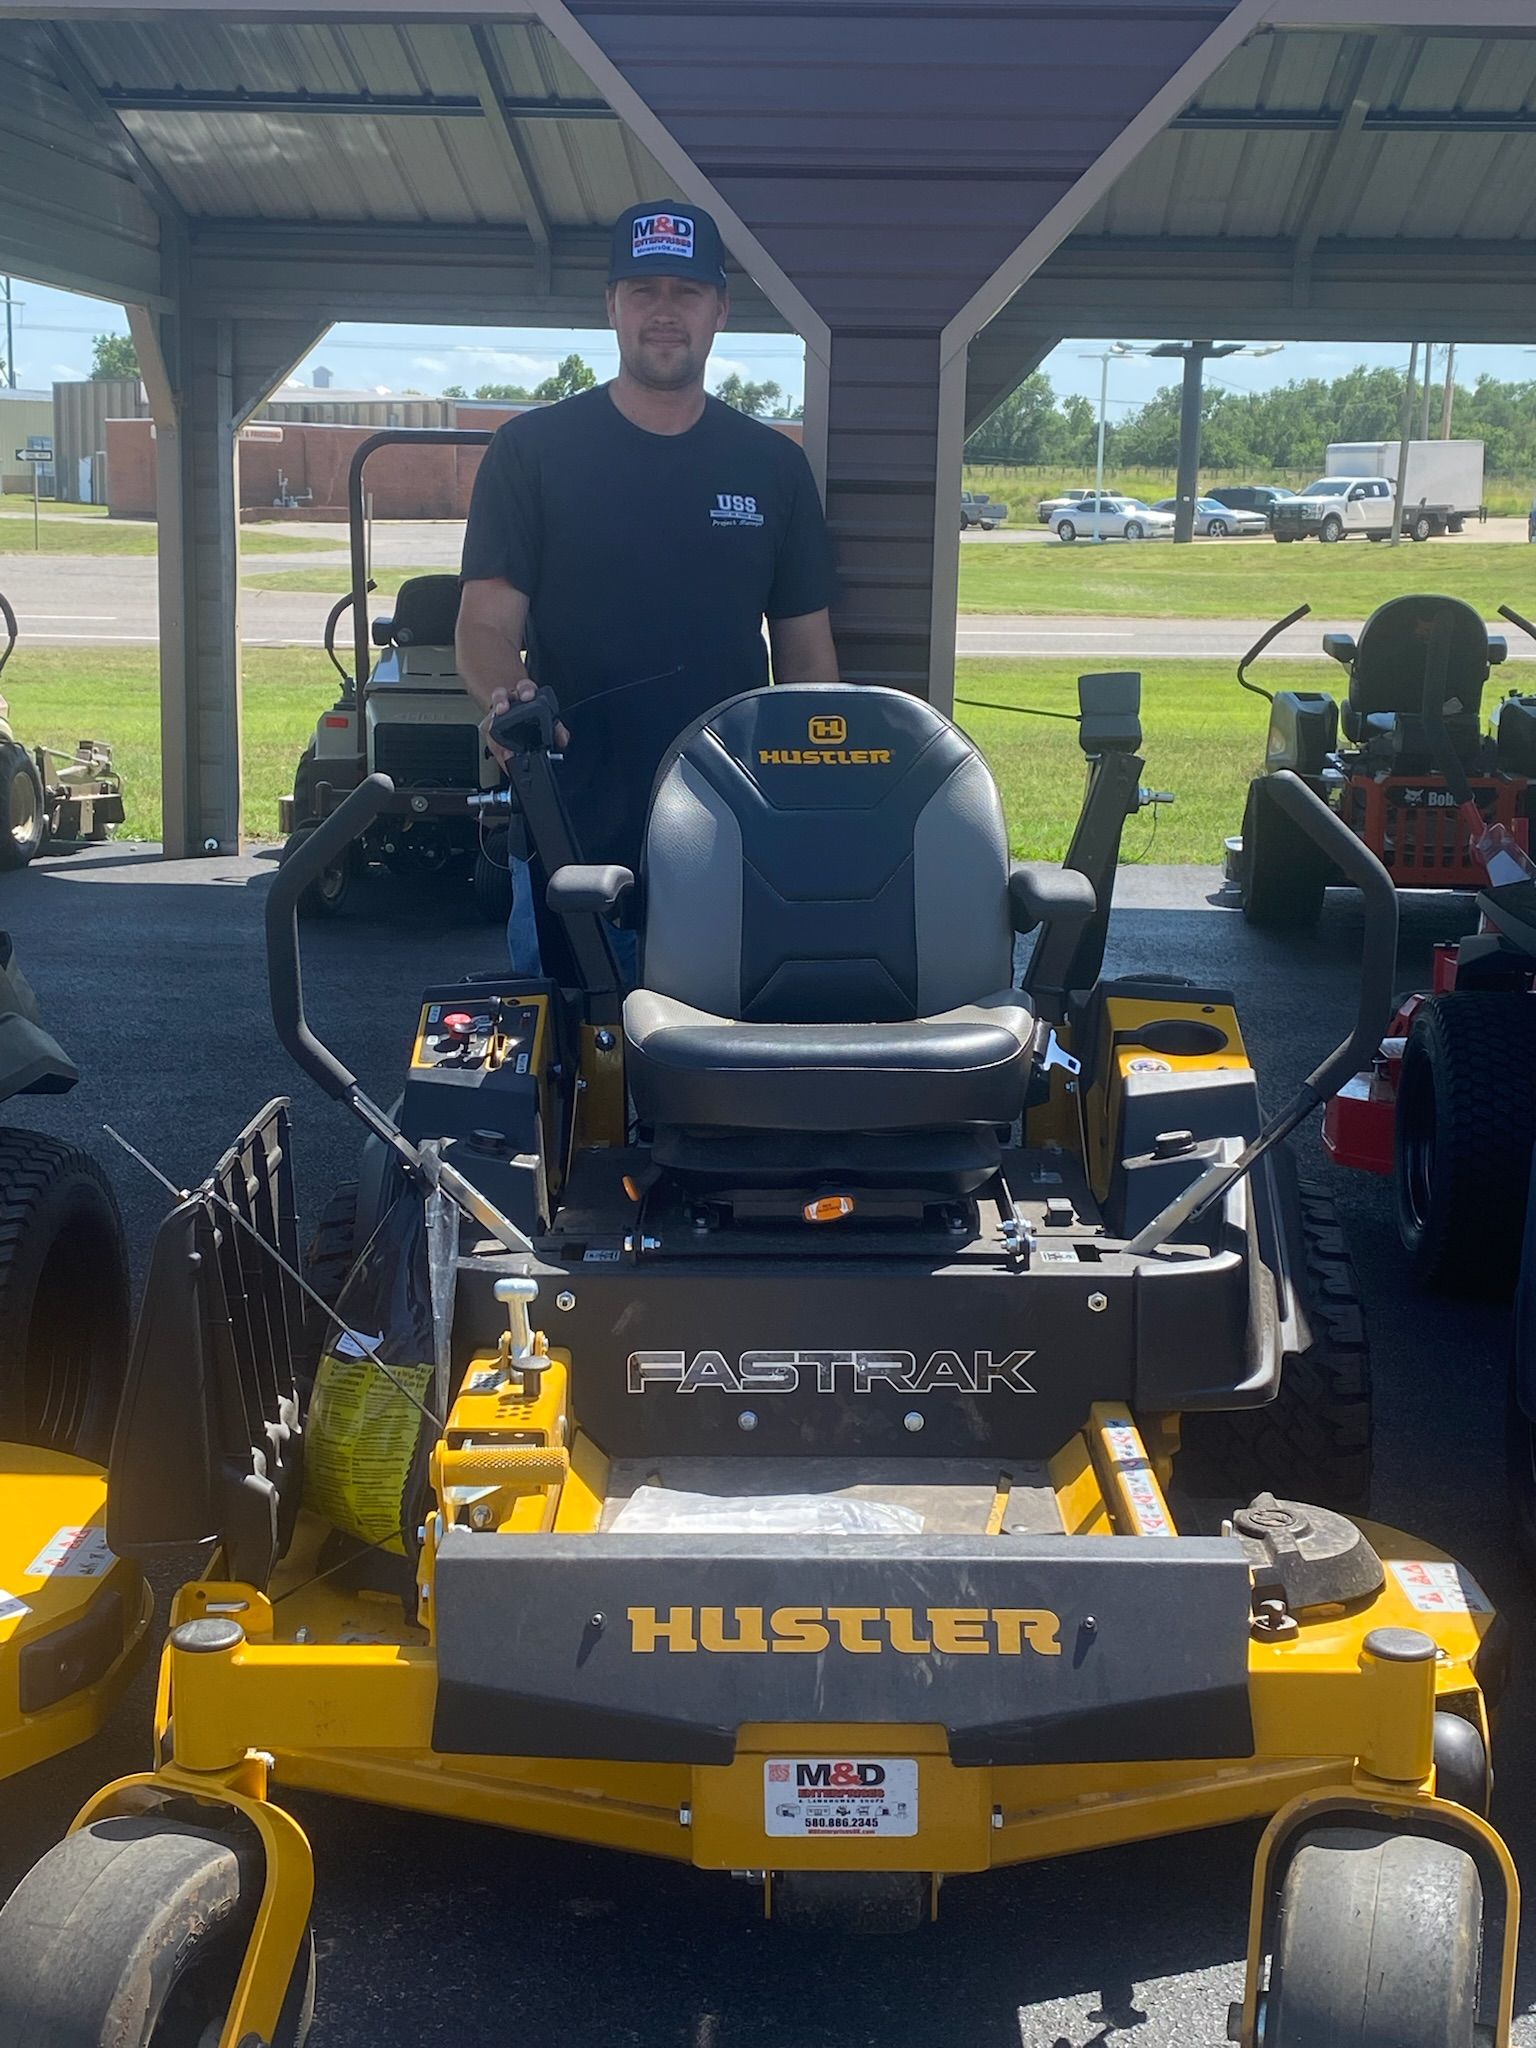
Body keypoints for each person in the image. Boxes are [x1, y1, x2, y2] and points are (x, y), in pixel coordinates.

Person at [457, 200, 839, 975]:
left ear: (720, 310)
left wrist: (817, 809)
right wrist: (510, 703)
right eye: (643, 291)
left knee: (716, 1084)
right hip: (571, 843)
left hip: (732, 839)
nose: (665, 313)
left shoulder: (773, 467)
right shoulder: (531, 453)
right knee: (566, 1080)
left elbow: (807, 656)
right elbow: (484, 626)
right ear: (612, 306)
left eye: (686, 292)